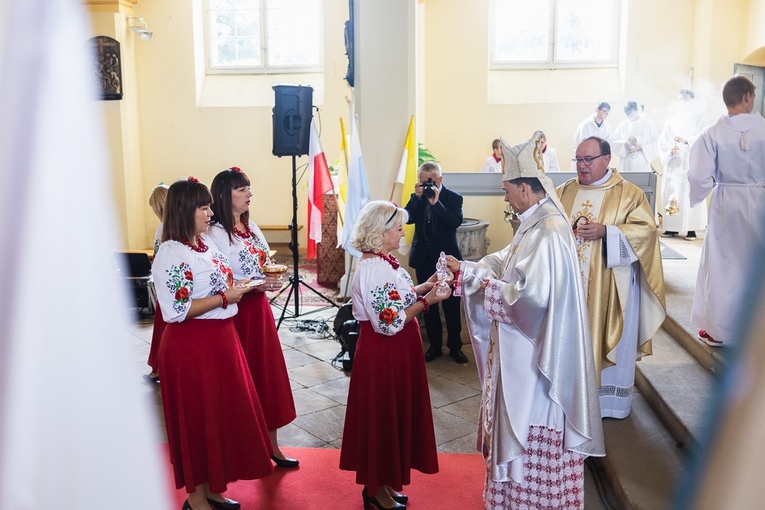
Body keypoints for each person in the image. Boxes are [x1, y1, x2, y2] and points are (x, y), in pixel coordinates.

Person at [446, 132, 604, 510]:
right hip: (528, 359)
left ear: (524, 188)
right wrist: (469, 269)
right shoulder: (537, 222)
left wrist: (482, 283)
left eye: (506, 189)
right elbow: (506, 260)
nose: (504, 197)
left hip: (539, 371)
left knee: (532, 441)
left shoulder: (548, 230)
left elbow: (530, 299)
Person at [152, 177, 274, 510]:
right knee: (196, 419)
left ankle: (213, 489)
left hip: (221, 340)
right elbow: (176, 310)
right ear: (183, 210)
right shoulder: (171, 252)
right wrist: (225, 297)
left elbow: (226, 279)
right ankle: (195, 497)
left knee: (217, 418)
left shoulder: (205, 243)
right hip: (191, 346)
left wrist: (250, 284)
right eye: (203, 207)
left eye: (208, 206)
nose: (209, 213)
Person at [339, 200, 449, 510]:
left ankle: (385, 483)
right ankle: (375, 490)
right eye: (398, 228)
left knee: (394, 416)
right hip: (384, 352)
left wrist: (425, 286)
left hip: (397, 350)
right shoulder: (374, 268)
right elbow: (388, 323)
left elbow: (397, 296)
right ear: (381, 232)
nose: (403, 233)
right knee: (383, 418)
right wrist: (429, 301)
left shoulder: (384, 261)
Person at [557, 137, 666, 419]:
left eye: (588, 160)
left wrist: (608, 232)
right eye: (578, 160)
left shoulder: (629, 194)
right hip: (568, 288)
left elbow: (647, 232)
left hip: (609, 289)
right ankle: (569, 400)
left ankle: (606, 405)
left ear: (606, 159)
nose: (581, 166)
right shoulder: (563, 192)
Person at [207, 166, 299, 469]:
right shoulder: (216, 234)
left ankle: (272, 445)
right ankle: (240, 448)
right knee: (238, 382)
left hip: (258, 309)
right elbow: (220, 279)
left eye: (249, 188)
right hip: (235, 313)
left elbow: (264, 263)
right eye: (241, 189)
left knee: (265, 376)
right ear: (224, 195)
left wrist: (269, 279)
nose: (249, 193)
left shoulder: (252, 227)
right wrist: (255, 284)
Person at [689, 75, 765, 347]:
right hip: (760, 202)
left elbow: (698, 176)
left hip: (726, 204)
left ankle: (720, 331)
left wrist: (698, 196)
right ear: (747, 96)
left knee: (724, 266)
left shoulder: (713, 134)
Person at [404, 162, 467, 363]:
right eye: (423, 182)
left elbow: (453, 222)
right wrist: (416, 198)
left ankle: (455, 346)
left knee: (451, 305)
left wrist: (436, 203)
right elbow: (406, 218)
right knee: (427, 304)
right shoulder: (417, 198)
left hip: (447, 261)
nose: (427, 186)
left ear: (440, 180)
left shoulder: (454, 198)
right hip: (423, 258)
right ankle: (434, 346)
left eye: (430, 182)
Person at [658, 89, 709, 240]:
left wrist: (686, 141)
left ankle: (691, 229)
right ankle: (672, 227)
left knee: (688, 194)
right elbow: (662, 141)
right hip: (674, 164)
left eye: (686, 99)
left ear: (692, 101)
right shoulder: (671, 121)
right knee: (673, 194)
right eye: (680, 99)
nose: (683, 102)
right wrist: (670, 150)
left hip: (690, 162)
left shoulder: (700, 119)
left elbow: (704, 136)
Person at [145, 183, 169, 383]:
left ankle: (159, 367)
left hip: (166, 287)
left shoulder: (162, 227)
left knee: (162, 330)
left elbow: (158, 256)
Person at [611, 101, 660, 173]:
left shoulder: (647, 123)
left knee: (641, 183)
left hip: (641, 161)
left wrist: (641, 147)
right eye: (628, 115)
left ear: (637, 110)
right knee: (627, 182)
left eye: (632, 114)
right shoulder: (622, 125)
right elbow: (613, 141)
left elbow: (656, 141)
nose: (631, 117)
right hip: (626, 162)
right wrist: (624, 144)